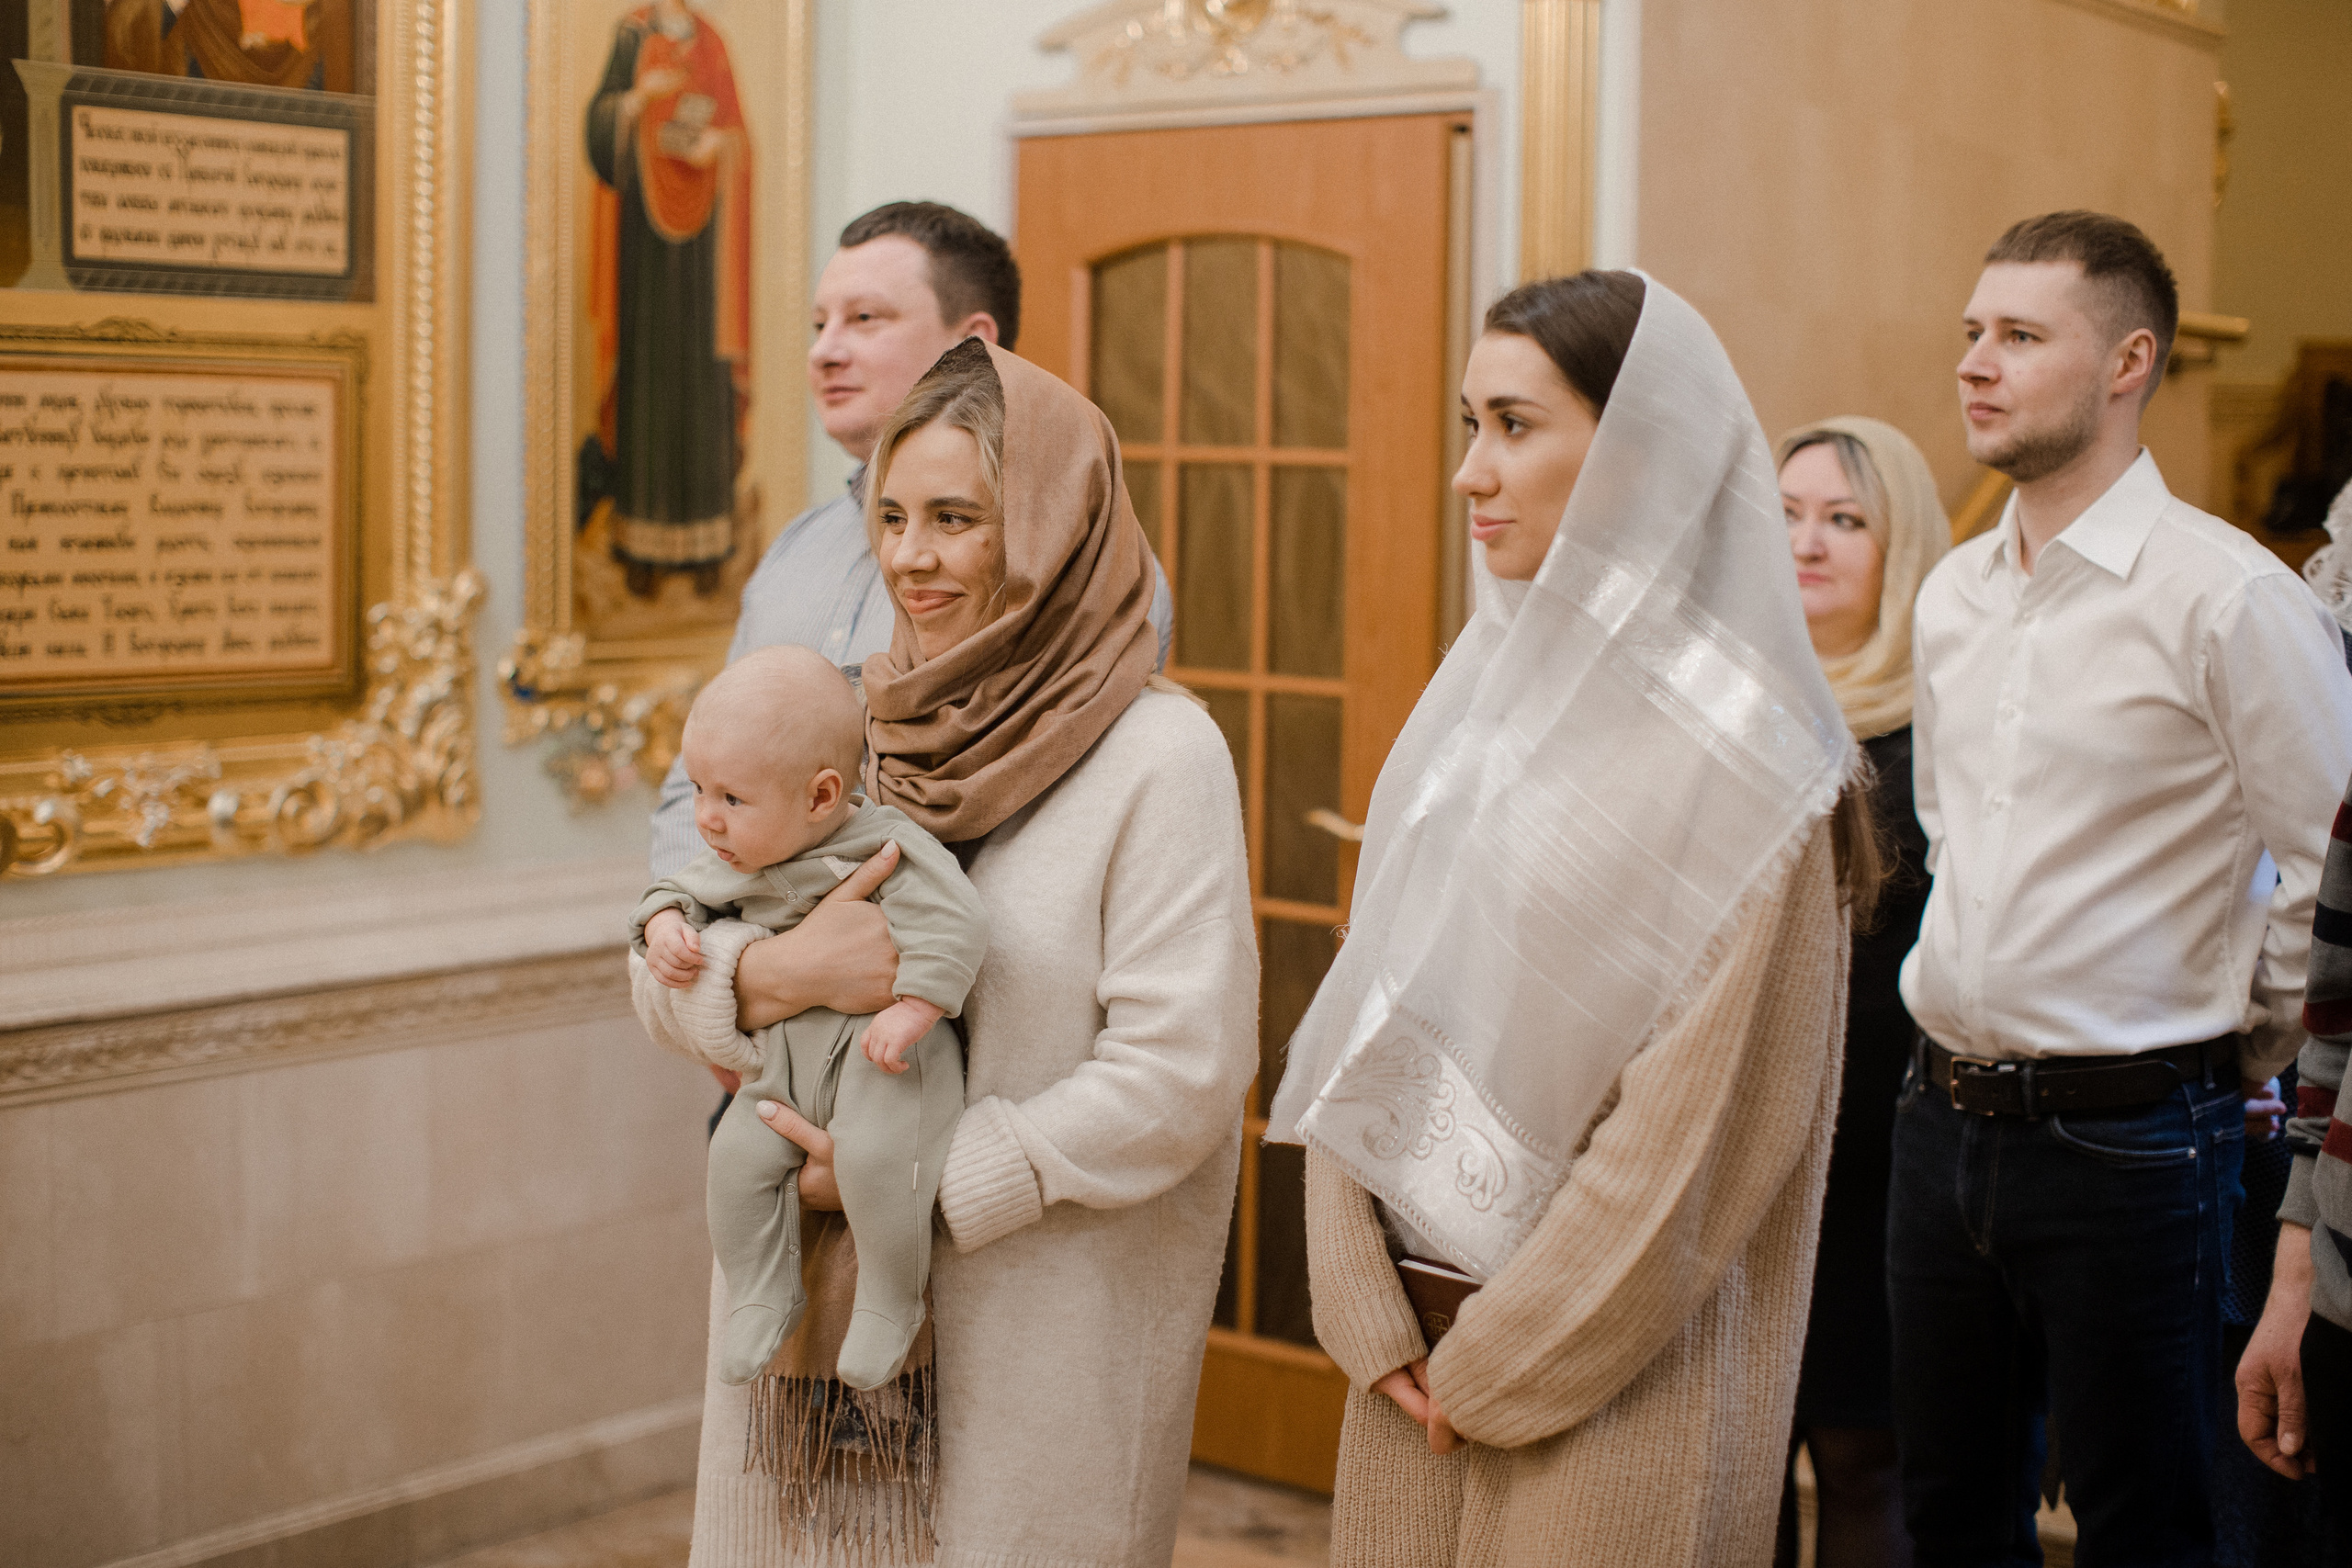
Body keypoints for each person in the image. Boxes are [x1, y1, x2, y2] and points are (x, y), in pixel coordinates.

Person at [1272, 270, 1871, 1566]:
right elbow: (1370, 994)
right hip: (1406, 1357)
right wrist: (1366, 1307)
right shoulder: (1478, 696)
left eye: (1515, 425)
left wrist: (1499, 1364)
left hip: (1607, 1385)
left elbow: (1696, 1144)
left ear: (1641, 453)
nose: (1469, 473)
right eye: (1468, 424)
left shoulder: (1756, 766)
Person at [635, 338, 1255, 1563]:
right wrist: (770, 979)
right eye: (896, 516)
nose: (912, 557)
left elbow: (1181, 1072)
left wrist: (919, 1174)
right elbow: (667, 946)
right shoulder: (846, 722)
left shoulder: (1158, 757)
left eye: (959, 518)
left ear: (1048, 526)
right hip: (806, 1356)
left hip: (1037, 1333)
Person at [1890, 210, 2352, 1566]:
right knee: (1950, 1514)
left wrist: (2244, 1042)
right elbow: (1946, 838)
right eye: (1973, 331)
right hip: (1942, 1113)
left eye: (2021, 336)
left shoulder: (2227, 598)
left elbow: (2333, 873)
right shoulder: (1954, 594)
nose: (1976, 361)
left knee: (2146, 1522)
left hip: (2137, 1135)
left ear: (2129, 361)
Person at [644, 200, 1172, 876]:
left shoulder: (1086, 573)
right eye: (818, 324)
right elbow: (701, 775)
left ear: (971, 340)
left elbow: (1057, 826)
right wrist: (709, 948)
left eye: (865, 319)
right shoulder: (793, 552)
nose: (825, 350)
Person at [633, 647, 986, 1391]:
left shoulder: (882, 844)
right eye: (698, 788)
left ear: (822, 795)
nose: (705, 817)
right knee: (734, 1163)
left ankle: (892, 1299)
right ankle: (763, 1288)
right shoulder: (737, 855)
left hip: (882, 1057)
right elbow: (675, 890)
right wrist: (665, 927)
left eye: (729, 797)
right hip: (783, 1064)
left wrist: (917, 1007)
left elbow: (953, 919)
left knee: (881, 1162)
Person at [1773, 418, 1947, 1568]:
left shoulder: (1940, 736)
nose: (1808, 542)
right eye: (1784, 514)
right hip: (1734, 1145)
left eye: (1844, 519)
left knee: (1859, 1451)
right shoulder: (1716, 705)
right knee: (1730, 1451)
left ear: (1904, 549)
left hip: (1878, 1152)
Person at [583, 0, 752, 597]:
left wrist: (719, 147)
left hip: (705, 249)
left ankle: (706, 550)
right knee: (649, 382)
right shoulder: (632, 35)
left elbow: (738, 133)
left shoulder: (711, 42)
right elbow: (598, 130)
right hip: (646, 250)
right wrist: (636, 99)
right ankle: (641, 548)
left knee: (699, 383)